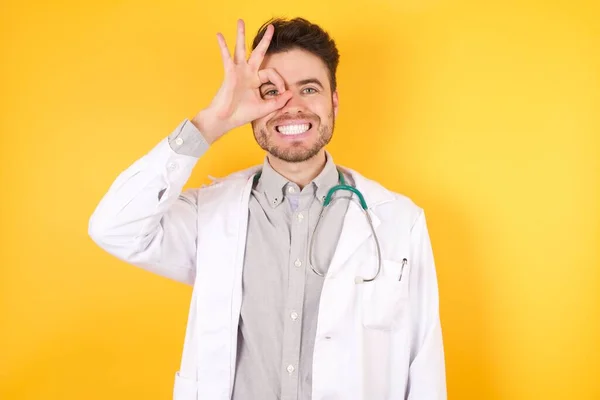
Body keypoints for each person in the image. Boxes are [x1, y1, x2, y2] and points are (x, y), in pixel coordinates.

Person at [89, 17, 446, 400]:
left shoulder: (398, 221)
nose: (291, 106)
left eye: (309, 89)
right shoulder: (208, 217)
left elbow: (424, 364)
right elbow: (113, 227)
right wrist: (211, 122)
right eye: (271, 91)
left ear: (334, 102)